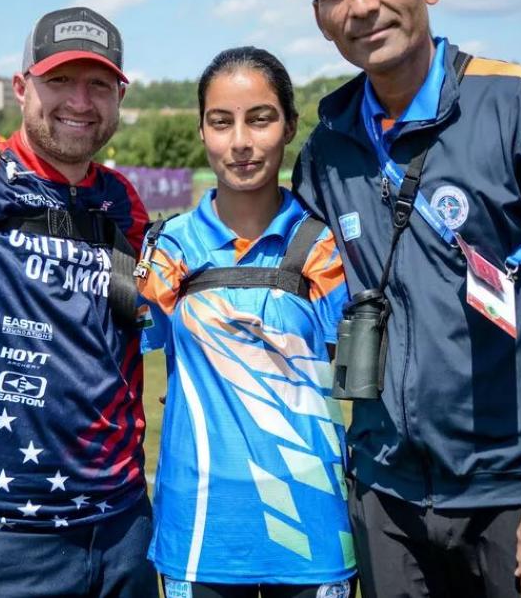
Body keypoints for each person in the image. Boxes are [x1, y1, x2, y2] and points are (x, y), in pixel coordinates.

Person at [280, 0, 521, 597]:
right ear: (320, 19)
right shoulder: (325, 151)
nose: (361, 5)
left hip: (513, 493)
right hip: (385, 496)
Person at [0, 6, 157, 598]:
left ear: (119, 97)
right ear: (23, 87)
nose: (80, 101)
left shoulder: (122, 201)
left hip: (120, 522)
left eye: (98, 84)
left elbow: (131, 316)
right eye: (59, 81)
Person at [136, 46, 356, 598]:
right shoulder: (169, 247)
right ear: (202, 131)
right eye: (221, 122)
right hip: (201, 525)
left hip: (314, 520)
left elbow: (361, 377)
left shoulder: (324, 246)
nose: (240, 141)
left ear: (288, 127)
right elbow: (132, 355)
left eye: (260, 119)